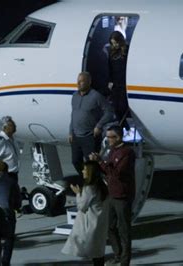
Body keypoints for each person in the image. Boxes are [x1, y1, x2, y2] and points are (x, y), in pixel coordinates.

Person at [90, 125, 136, 266]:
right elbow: (108, 171)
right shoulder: (113, 151)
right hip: (112, 194)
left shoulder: (127, 153)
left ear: (118, 137)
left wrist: (100, 162)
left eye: (110, 137)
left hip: (122, 196)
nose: (108, 140)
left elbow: (117, 174)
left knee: (124, 230)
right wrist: (100, 163)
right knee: (110, 227)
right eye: (107, 137)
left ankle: (124, 261)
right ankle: (118, 254)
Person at [61, 161, 109, 266]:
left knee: (93, 252)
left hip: (91, 223)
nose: (82, 171)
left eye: (85, 169)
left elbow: (82, 206)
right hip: (100, 221)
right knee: (99, 251)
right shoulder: (102, 185)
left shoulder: (89, 188)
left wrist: (78, 193)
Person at [69, 72, 115, 179]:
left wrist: (99, 126)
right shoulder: (74, 96)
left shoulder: (96, 96)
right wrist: (70, 131)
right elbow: (73, 114)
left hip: (90, 137)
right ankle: (87, 181)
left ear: (89, 82)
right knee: (75, 161)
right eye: (78, 81)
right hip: (76, 136)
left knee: (92, 164)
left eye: (82, 81)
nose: (79, 83)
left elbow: (109, 112)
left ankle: (96, 185)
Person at [0, 161, 22, 266]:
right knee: (9, 240)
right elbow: (18, 202)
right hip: (7, 214)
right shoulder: (12, 182)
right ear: (7, 170)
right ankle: (5, 263)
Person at [107, 31, 130, 130]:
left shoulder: (127, 50)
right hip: (116, 82)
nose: (114, 45)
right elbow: (110, 67)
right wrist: (110, 81)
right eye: (112, 43)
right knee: (115, 107)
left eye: (116, 43)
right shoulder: (112, 52)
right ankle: (123, 126)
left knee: (122, 106)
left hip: (124, 82)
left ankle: (124, 126)